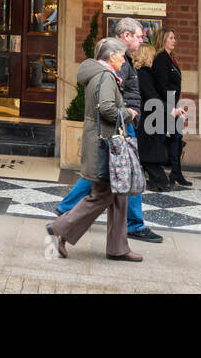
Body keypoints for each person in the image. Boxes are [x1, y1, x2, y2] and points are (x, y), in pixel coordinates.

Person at [55, 18, 163, 244]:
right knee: (126, 175)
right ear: (125, 36)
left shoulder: (118, 60)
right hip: (119, 127)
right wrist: (129, 114)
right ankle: (131, 225)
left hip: (120, 126)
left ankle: (66, 211)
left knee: (103, 178)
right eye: (138, 36)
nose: (141, 40)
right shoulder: (114, 64)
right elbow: (108, 104)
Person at [45, 37, 142, 262]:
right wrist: (129, 114)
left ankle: (118, 247)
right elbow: (107, 109)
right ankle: (60, 227)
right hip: (106, 145)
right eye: (121, 57)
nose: (123, 61)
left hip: (101, 142)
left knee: (118, 195)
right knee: (103, 194)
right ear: (110, 57)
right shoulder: (106, 76)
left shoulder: (99, 74)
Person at [152, 28, 191, 186]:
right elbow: (161, 85)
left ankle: (176, 172)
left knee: (176, 136)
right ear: (163, 40)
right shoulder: (161, 58)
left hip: (172, 103)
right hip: (165, 104)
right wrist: (169, 107)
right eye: (171, 38)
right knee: (161, 137)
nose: (174, 40)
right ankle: (156, 171)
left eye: (175, 38)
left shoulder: (170, 58)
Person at [132, 44, 171, 191]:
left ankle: (159, 182)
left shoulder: (141, 74)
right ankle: (159, 182)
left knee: (146, 150)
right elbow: (151, 96)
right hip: (146, 118)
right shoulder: (144, 74)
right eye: (153, 55)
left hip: (145, 117)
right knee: (149, 151)